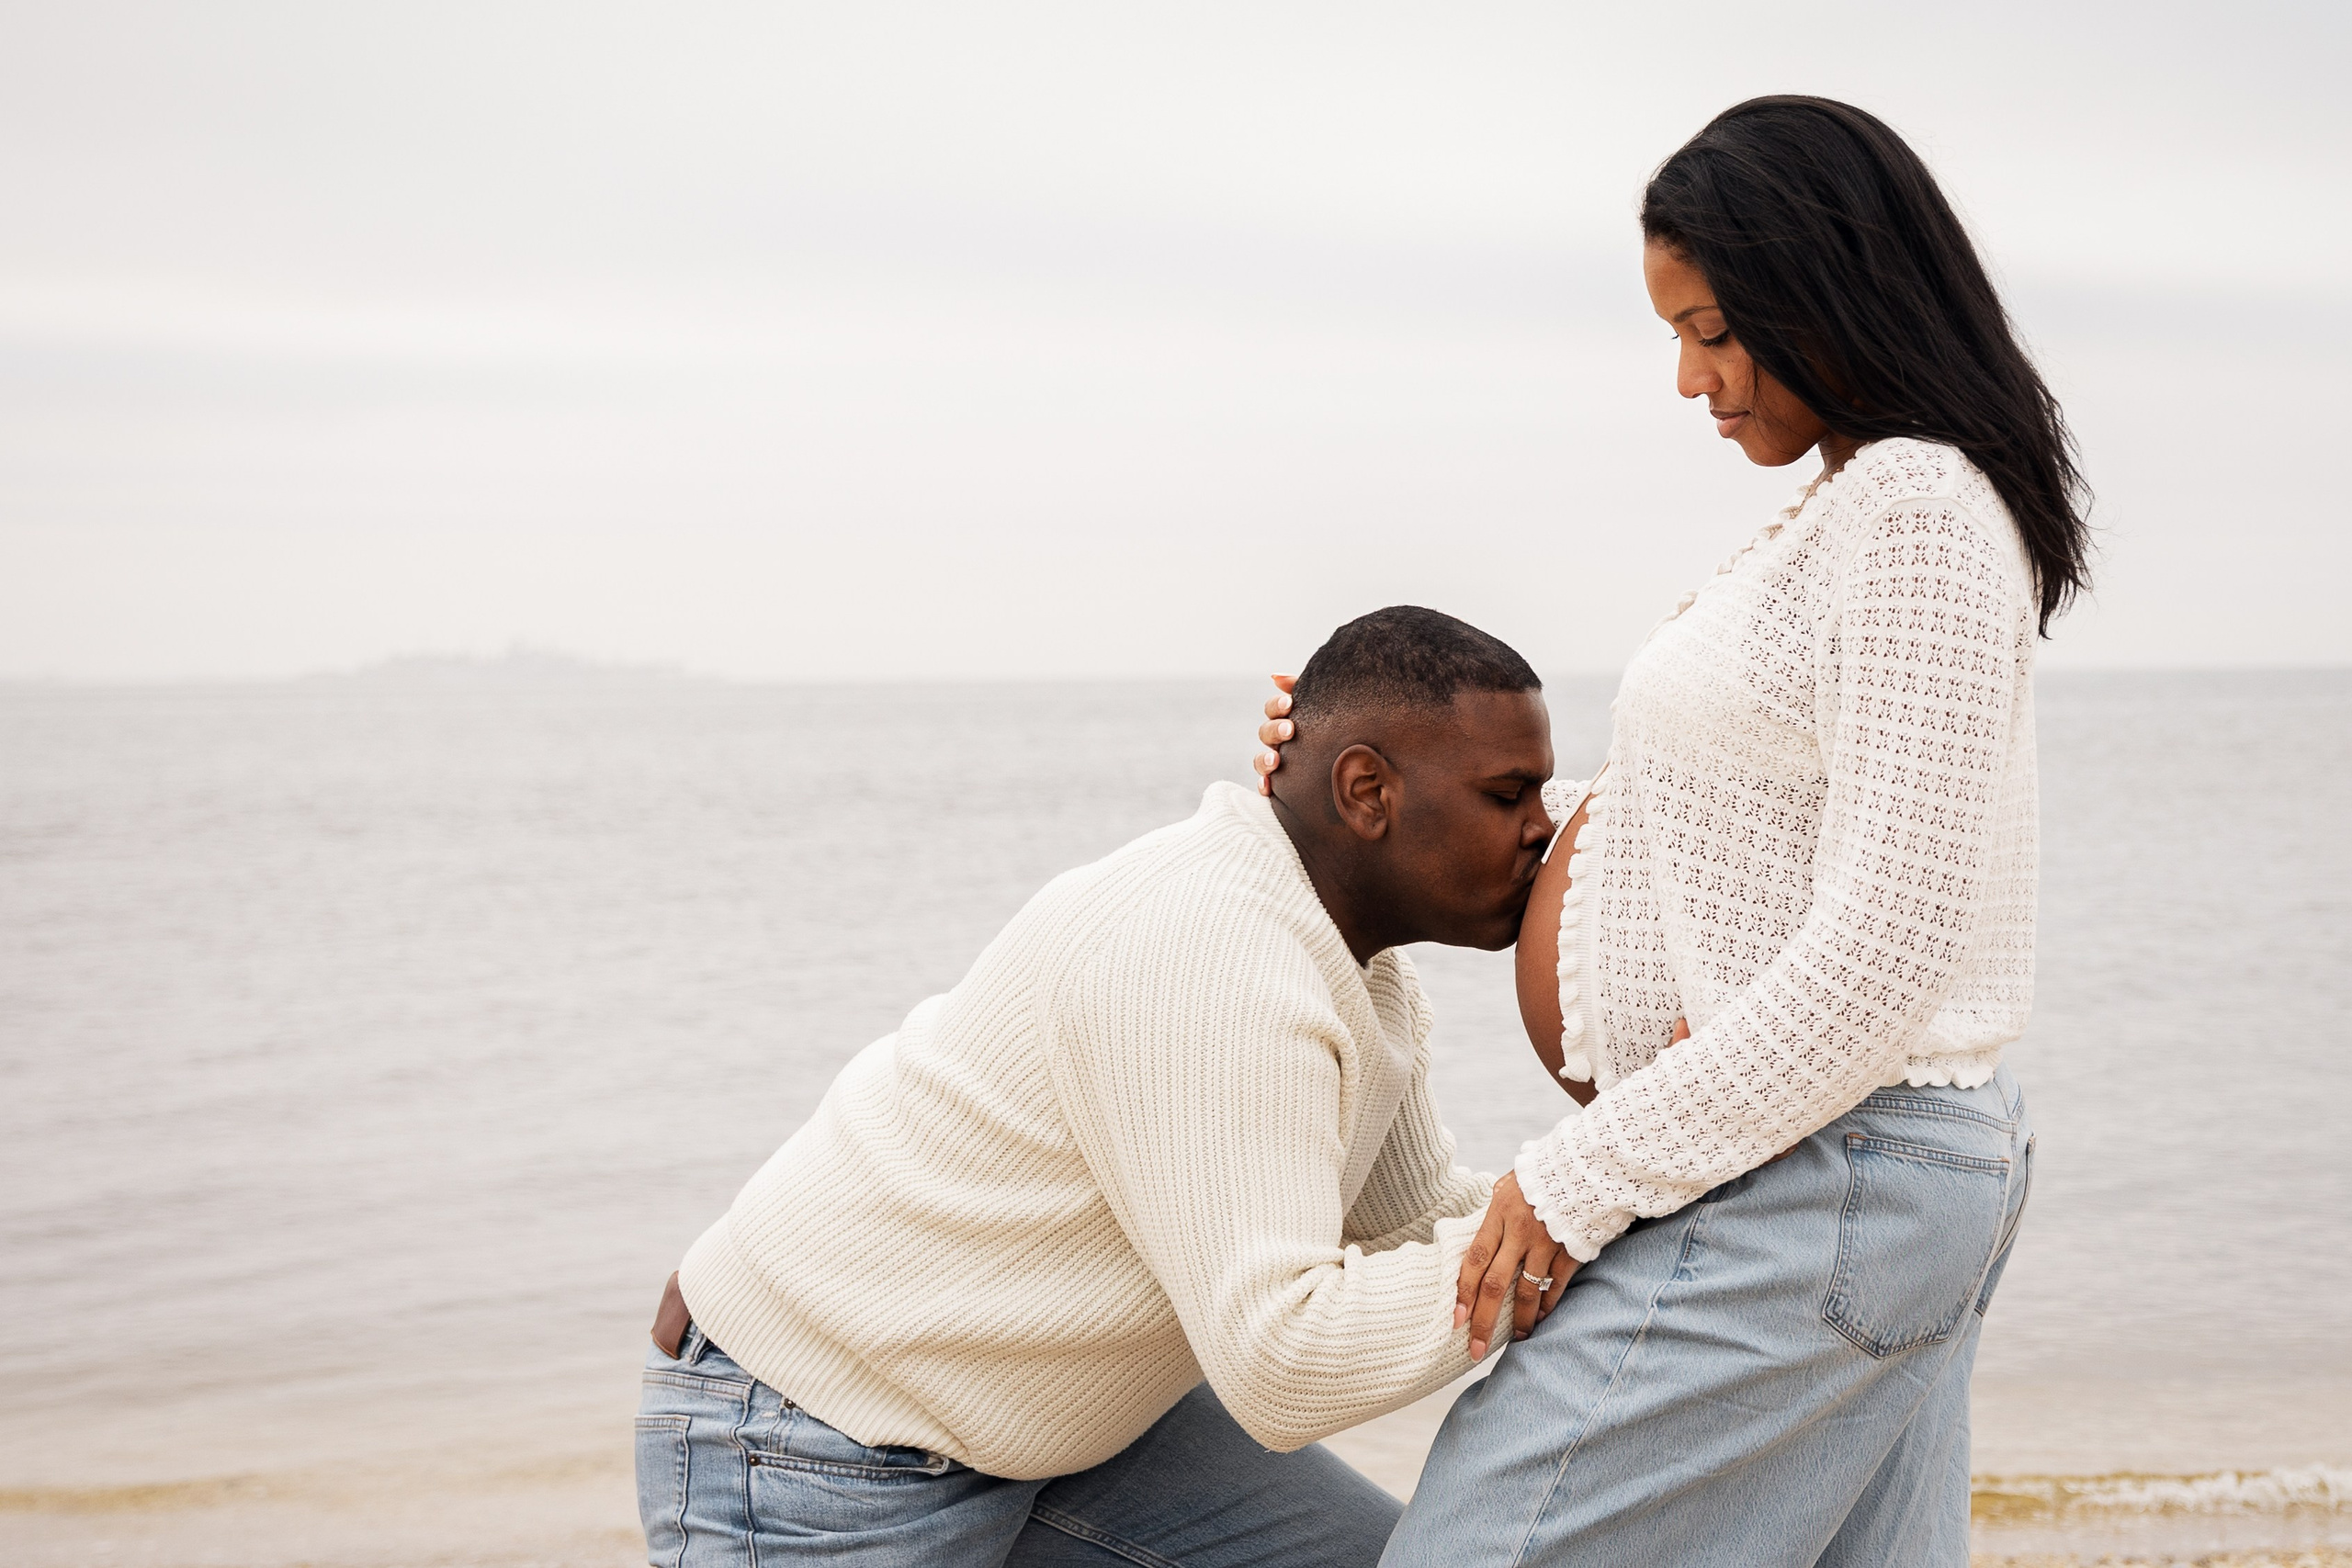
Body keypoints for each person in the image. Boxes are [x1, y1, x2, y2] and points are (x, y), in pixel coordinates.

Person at [1256, 96, 2086, 1566]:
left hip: (1827, 1168)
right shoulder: (1857, 507)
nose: (1691, 380)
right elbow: (1727, 846)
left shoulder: (1911, 509)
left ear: (1822, 289)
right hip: (1836, 1170)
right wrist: (1349, 774)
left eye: (1710, 329)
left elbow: (1883, 948)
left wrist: (1581, 1177)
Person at [637, 606, 1561, 1567]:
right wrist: (1563, 1223)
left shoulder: (1353, 961)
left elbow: (1410, 1218)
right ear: (1366, 790)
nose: (1542, 827)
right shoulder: (1215, 957)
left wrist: (1612, 1199)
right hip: (821, 1436)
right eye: (1510, 795)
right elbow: (1286, 1363)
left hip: (1062, 1427)